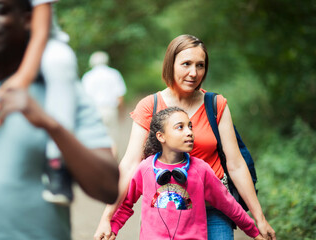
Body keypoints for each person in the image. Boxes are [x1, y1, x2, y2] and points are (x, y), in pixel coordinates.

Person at [0, 0, 119, 239]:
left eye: (0, 10)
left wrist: (49, 123)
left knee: (59, 61)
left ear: (25, 17)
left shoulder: (61, 88)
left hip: (44, 52)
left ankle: (57, 167)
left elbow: (109, 189)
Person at [94, 34, 276, 240]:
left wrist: (259, 218)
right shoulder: (150, 106)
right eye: (186, 64)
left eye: (200, 65)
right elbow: (129, 166)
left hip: (214, 210)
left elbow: (236, 165)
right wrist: (107, 217)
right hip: (168, 212)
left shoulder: (215, 105)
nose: (193, 73)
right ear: (170, 64)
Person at [0, 0, 77, 205]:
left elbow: (40, 31)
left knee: (61, 62)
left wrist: (22, 79)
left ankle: (57, 163)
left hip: (41, 44)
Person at [109, 107, 265, 240]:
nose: (189, 132)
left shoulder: (201, 169)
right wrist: (112, 227)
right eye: (180, 127)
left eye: (190, 126)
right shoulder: (145, 169)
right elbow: (126, 205)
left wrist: (254, 232)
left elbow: (229, 204)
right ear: (161, 136)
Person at [81, 51, 127, 156]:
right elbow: (120, 96)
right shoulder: (114, 74)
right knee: (112, 139)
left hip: (94, 111)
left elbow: (85, 98)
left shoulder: (88, 76)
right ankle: (113, 162)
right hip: (110, 110)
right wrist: (121, 112)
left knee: (95, 139)